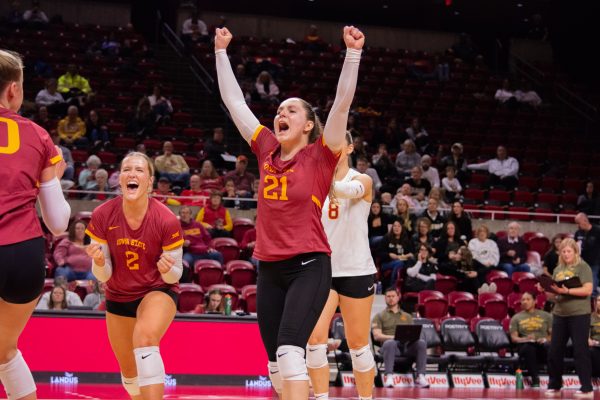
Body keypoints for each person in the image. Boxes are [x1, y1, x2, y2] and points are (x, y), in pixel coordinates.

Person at [215, 25, 363, 399]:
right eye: (280, 110)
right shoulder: (265, 148)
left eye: (291, 111)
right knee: (275, 365)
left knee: (290, 351)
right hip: (270, 267)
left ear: (309, 125)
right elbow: (235, 104)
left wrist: (352, 55)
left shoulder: (321, 155)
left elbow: (342, 104)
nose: (281, 114)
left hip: (310, 264)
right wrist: (220, 53)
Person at [85, 151, 185, 400]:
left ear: (149, 182)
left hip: (157, 290)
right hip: (118, 295)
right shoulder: (102, 215)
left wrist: (168, 269)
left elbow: (176, 275)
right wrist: (98, 262)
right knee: (130, 375)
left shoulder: (167, 219)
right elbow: (103, 274)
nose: (132, 174)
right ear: (119, 179)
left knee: (145, 338)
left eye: (139, 170)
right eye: (127, 169)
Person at [0, 49, 70, 400]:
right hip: (23, 256)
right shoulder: (40, 135)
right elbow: (58, 223)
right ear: (13, 89)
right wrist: (51, 180)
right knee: (5, 350)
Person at [306, 132, 376, 400]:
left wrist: (314, 181)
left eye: (336, 145)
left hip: (356, 270)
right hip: (321, 270)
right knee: (314, 342)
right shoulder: (313, 181)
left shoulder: (362, 180)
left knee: (358, 344)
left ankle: (366, 398)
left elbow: (351, 191)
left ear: (349, 147)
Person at [537, 238, 594, 398]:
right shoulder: (558, 269)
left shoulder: (583, 267)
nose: (566, 254)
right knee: (554, 350)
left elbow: (588, 290)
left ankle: (587, 388)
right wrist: (544, 289)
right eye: (563, 251)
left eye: (569, 251)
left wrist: (566, 292)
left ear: (575, 252)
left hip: (579, 314)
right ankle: (555, 384)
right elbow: (553, 297)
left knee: (580, 351)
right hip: (560, 314)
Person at [372, 287, 429, 388]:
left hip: (406, 347)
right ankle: (389, 377)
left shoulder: (407, 316)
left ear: (398, 297)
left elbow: (413, 333)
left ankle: (420, 376)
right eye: (388, 296)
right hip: (389, 347)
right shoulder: (379, 316)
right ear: (385, 298)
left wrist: (411, 337)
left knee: (421, 343)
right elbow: (377, 336)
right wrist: (393, 337)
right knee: (391, 342)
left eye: (393, 296)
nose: (390, 298)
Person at [509, 291, 552, 387]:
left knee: (550, 346)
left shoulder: (546, 316)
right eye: (523, 300)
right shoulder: (516, 317)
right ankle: (535, 379)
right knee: (529, 347)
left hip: (542, 346)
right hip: (526, 346)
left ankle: (554, 378)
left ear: (535, 301)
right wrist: (525, 339)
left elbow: (553, 335)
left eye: (528, 299)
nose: (525, 302)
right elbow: (514, 338)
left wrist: (545, 339)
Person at [378, 219, 415, 288]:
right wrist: (389, 255)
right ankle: (393, 287)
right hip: (386, 263)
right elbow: (380, 253)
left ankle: (406, 286)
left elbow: (411, 253)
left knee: (403, 263)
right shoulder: (386, 238)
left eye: (399, 226)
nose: (396, 228)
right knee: (399, 263)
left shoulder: (406, 240)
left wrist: (408, 255)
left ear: (402, 228)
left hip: (402, 262)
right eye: (394, 226)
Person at [574, 213, 600, 296]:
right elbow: (574, 246)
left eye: (578, 223)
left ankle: (593, 303)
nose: (577, 225)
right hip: (581, 263)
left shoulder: (598, 231)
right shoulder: (578, 233)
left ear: (585, 221)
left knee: (592, 284)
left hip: (594, 262)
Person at [590, 295, 600, 377]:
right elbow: (586, 336)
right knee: (592, 351)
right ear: (595, 303)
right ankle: (595, 375)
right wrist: (589, 341)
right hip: (595, 345)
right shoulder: (590, 317)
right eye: (599, 300)